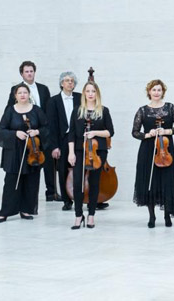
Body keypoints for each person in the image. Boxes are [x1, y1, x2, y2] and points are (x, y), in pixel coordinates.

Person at [132, 79, 174, 228]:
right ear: (149, 92)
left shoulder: (170, 108)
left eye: (159, 90)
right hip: (148, 150)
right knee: (150, 182)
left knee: (166, 182)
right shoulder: (142, 110)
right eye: (153, 90)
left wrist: (166, 131)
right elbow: (135, 132)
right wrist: (148, 134)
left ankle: (167, 215)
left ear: (163, 92)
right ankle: (152, 216)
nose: (156, 92)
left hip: (165, 150)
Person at [0, 84, 48, 222]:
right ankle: (5, 211)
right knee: (11, 182)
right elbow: (1, 129)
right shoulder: (10, 111)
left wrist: (36, 131)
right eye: (20, 93)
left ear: (29, 94)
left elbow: (47, 128)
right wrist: (15, 134)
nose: (23, 95)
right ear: (15, 96)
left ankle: (26, 210)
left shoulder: (36, 110)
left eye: (25, 92)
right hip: (14, 152)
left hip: (33, 151)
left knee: (31, 182)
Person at [67, 81, 114, 229]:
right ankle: (78, 215)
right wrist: (71, 153)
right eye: (87, 91)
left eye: (93, 91)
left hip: (98, 151)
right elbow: (71, 133)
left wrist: (95, 133)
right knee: (77, 183)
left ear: (97, 93)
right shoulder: (77, 111)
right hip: (79, 150)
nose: (90, 94)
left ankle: (91, 215)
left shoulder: (103, 111)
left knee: (94, 183)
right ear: (84, 94)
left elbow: (110, 132)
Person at [7, 61, 53, 200]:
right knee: (29, 162)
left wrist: (43, 130)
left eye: (31, 71)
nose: (29, 74)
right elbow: (10, 110)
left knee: (47, 161)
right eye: (26, 71)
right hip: (25, 133)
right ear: (22, 74)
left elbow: (48, 110)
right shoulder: (15, 89)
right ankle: (24, 194)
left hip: (40, 130)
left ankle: (51, 192)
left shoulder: (43, 89)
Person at [45, 71, 81, 211]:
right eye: (67, 80)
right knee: (63, 170)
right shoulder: (53, 101)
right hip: (62, 139)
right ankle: (67, 200)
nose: (70, 83)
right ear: (61, 83)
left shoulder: (80, 97)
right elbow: (51, 126)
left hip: (78, 138)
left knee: (82, 167)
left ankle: (85, 197)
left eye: (72, 81)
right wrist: (54, 146)